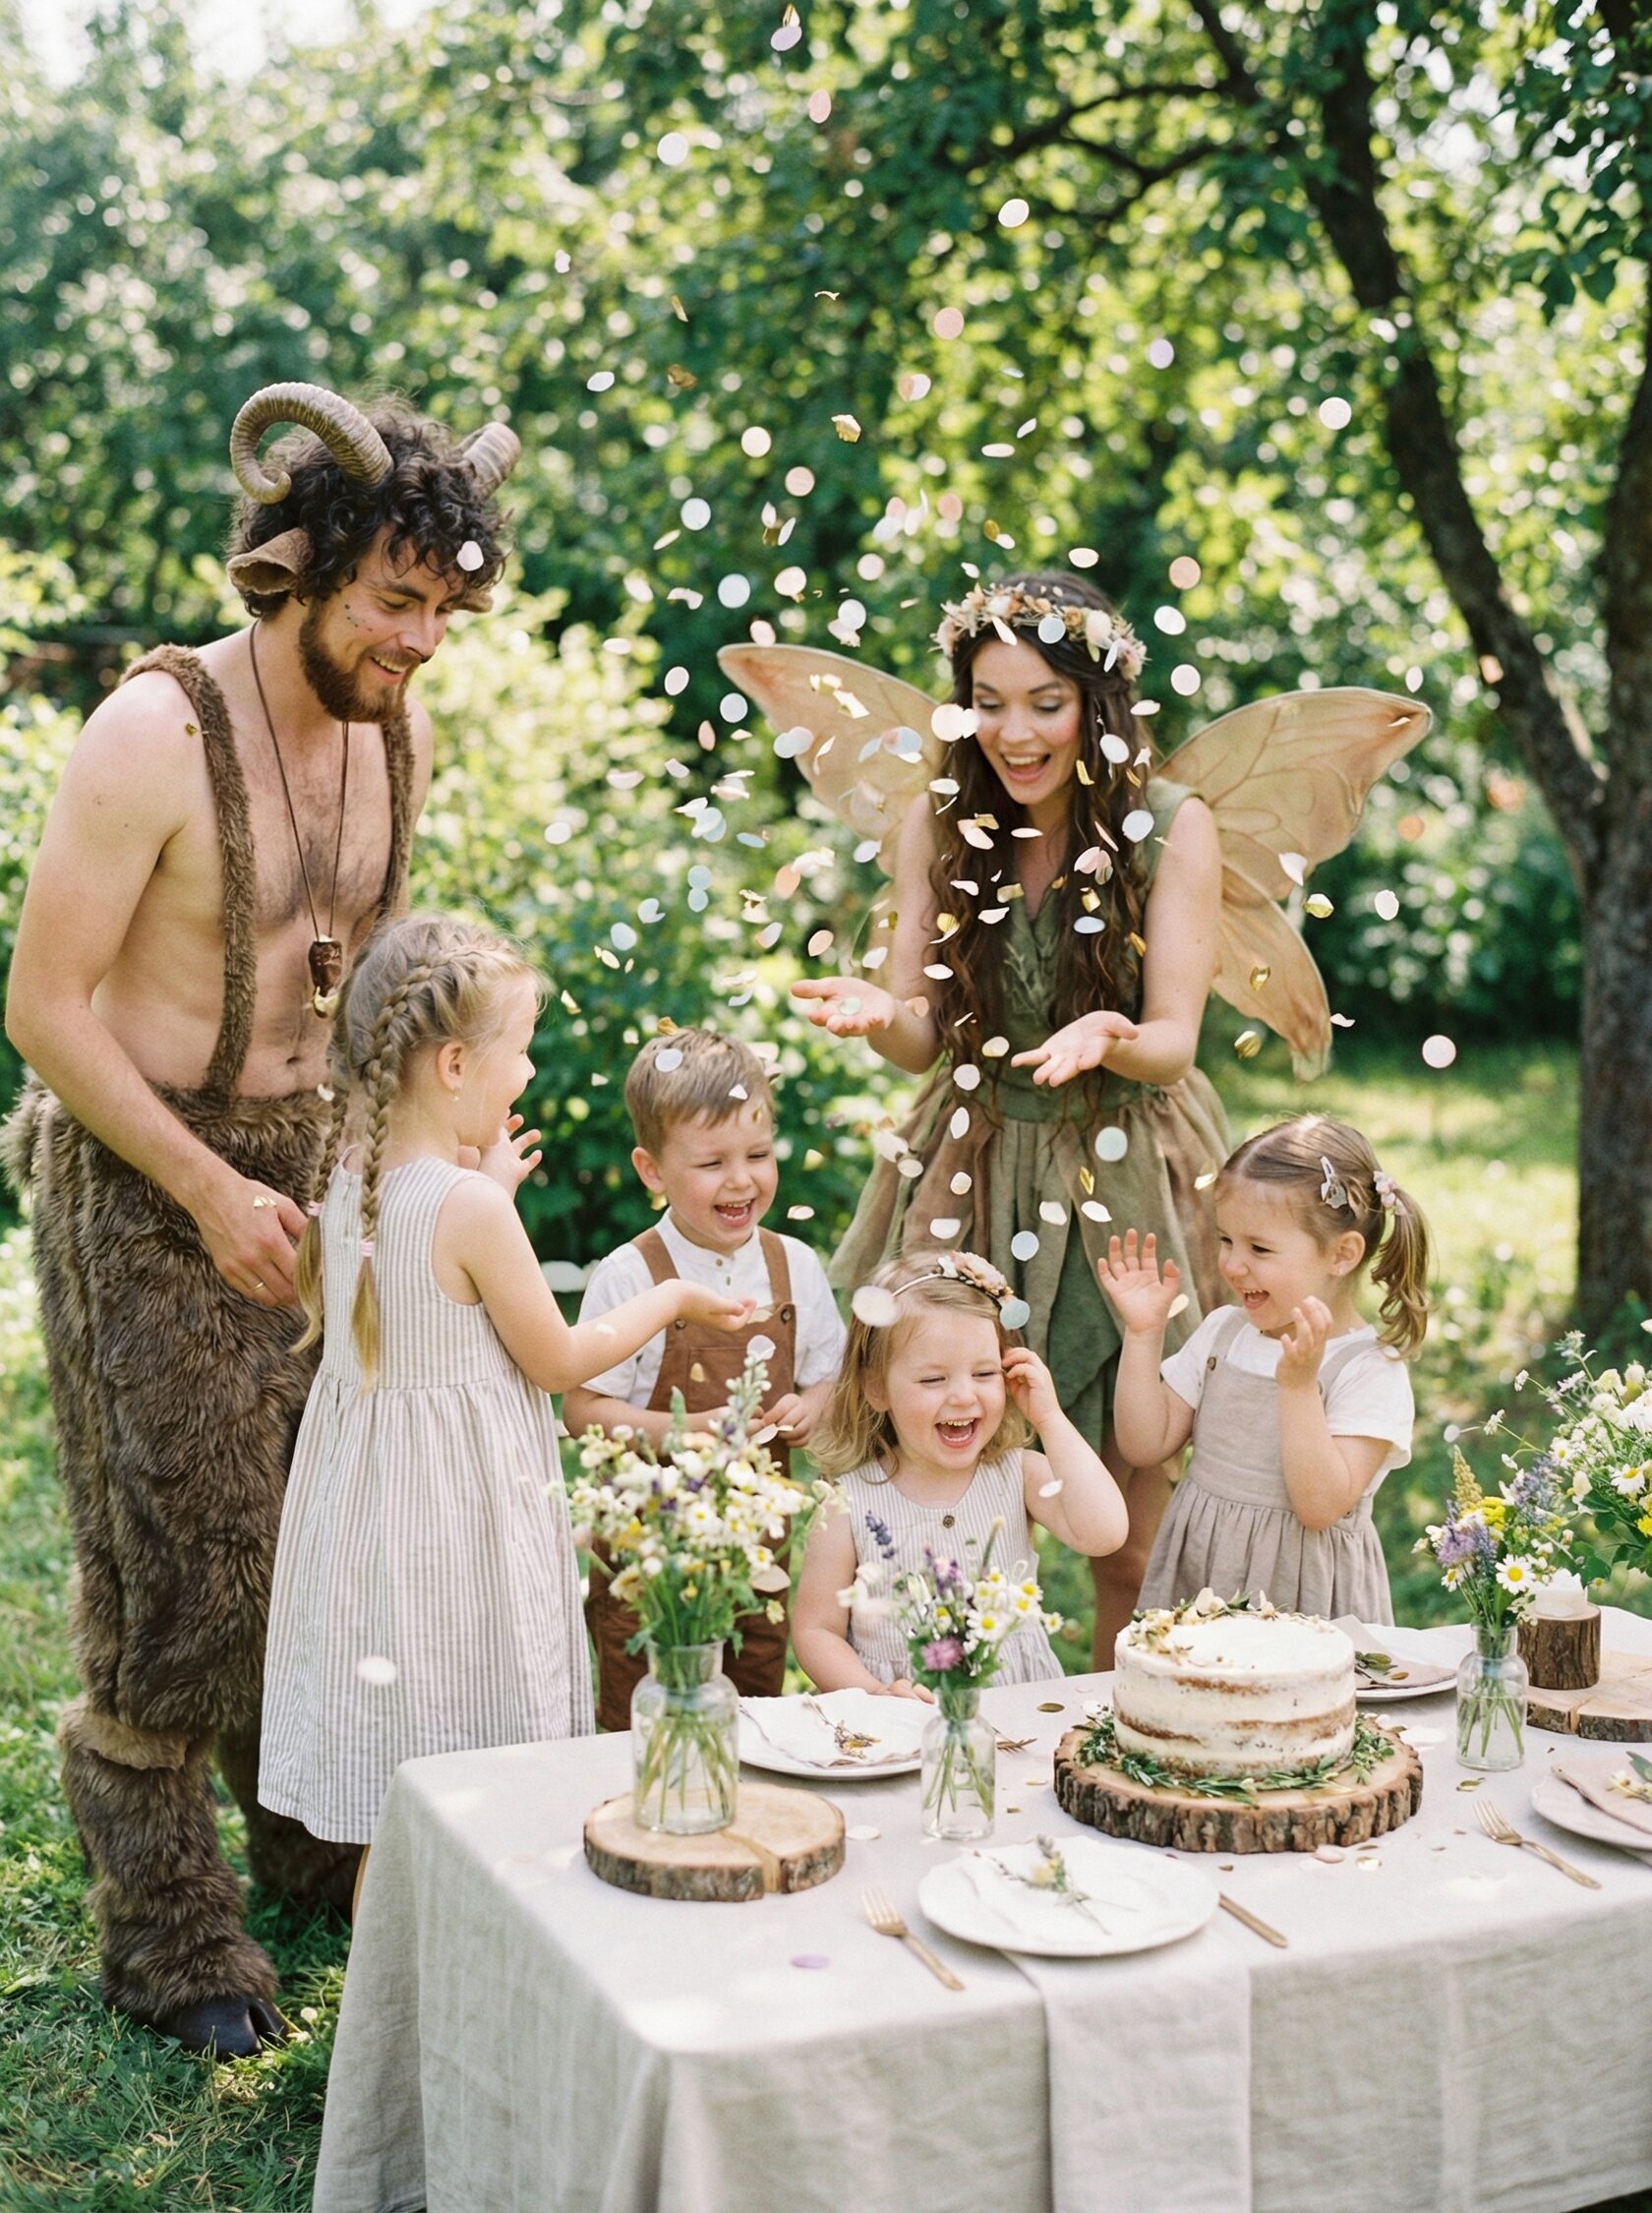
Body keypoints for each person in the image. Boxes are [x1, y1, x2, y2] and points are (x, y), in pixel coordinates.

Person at [1, 382, 520, 2056]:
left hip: (320, 1166)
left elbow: (358, 983)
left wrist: (418, 1152)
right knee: (189, 1568)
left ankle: (306, 1837)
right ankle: (167, 1932)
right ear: (294, 568)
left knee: (334, 1523)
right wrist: (206, 1185)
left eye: (442, 609)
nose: (419, 641)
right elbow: (43, 1007)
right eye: (393, 600)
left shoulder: (395, 729)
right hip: (145, 1174)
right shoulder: (151, 736)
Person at [794, 572, 1229, 1665]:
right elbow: (920, 1032)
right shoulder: (939, 824)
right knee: (945, 1476)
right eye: (989, 702)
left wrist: (1110, 1036)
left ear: (1098, 701)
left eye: (1046, 702)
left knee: (1131, 1520)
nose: (1015, 732)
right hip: (973, 1159)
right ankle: (942, 1700)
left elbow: (1174, 1037)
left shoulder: (1172, 829)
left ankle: (1124, 1723)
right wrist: (880, 1015)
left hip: (1121, 1160)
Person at [258, 919, 753, 1866]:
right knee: (476, 1735)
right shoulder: (470, 1209)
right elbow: (560, 1361)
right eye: (520, 1051)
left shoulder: (351, 1181)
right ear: (454, 1065)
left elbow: (429, 1284)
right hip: (463, 1526)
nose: (526, 1072)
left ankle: (392, 1945)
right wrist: (675, 1297)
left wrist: (485, 1185)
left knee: (407, 1767)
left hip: (378, 1530)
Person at [563, 1029, 848, 1729]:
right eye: (712, 1162)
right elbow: (583, 1408)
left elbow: (829, 1378)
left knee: (754, 1701)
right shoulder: (631, 1275)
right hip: (649, 1555)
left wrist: (811, 1407)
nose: (741, 1180)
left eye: (757, 1154)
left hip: (759, 1549)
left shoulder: (794, 1267)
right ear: (652, 1169)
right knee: (644, 1705)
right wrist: (686, 1432)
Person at [1098, 1113, 1431, 1623]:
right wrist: (1143, 1334)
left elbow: (1319, 1507)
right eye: (1226, 1240)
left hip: (1301, 1605)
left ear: (1341, 1254)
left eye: (1259, 1248)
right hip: (1203, 1581)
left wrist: (1298, 1387)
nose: (1232, 1265)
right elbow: (1144, 1444)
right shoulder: (1224, 1333)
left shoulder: (1367, 1369)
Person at [793, 1250, 1128, 1695]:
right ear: (876, 1387)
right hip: (904, 1714)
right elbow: (816, 1631)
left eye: (984, 1373)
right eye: (934, 1380)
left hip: (1012, 1707)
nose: (964, 1396)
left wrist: (1050, 1419)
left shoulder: (1018, 1475)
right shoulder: (847, 1502)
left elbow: (1105, 1532)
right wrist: (875, 1694)